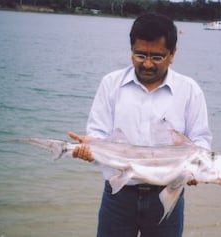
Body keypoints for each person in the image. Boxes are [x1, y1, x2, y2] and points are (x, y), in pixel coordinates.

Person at [69, 12, 212, 237]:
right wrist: (91, 149)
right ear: (131, 50)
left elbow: (201, 141)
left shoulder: (190, 90)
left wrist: (195, 170)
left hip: (167, 194)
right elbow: (97, 134)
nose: (146, 63)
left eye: (157, 57)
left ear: (172, 54)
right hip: (118, 196)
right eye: (139, 55)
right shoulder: (111, 84)